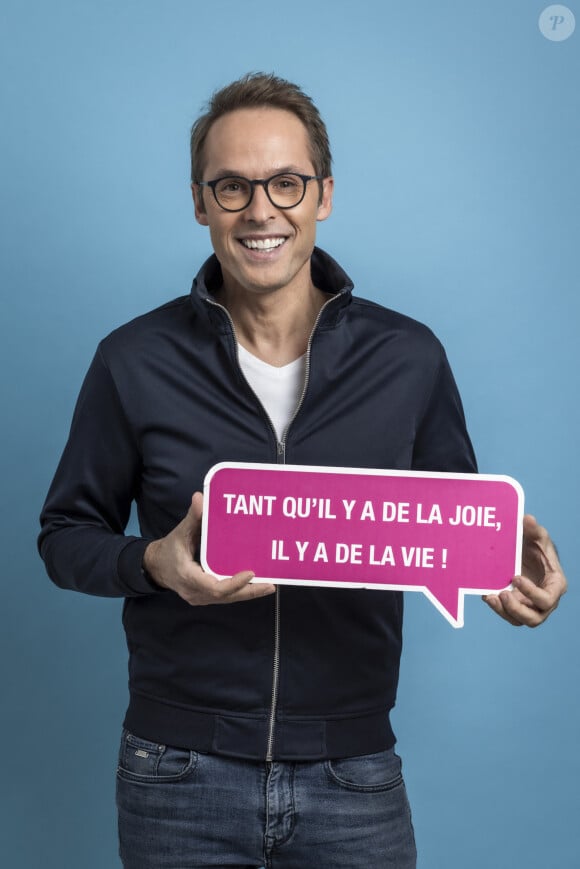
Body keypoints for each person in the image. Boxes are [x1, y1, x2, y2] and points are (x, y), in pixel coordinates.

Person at [38, 73, 567, 869]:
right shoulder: (131, 359)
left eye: (285, 182)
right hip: (175, 771)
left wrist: (502, 574)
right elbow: (64, 536)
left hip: (353, 775)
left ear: (323, 194)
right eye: (232, 186)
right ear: (198, 201)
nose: (260, 210)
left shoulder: (410, 357)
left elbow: (449, 531)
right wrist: (154, 563)